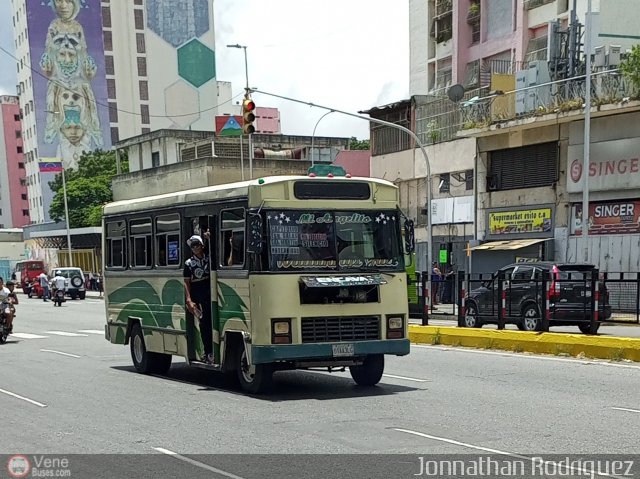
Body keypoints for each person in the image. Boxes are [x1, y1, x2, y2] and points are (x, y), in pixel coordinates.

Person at [183, 232, 214, 364]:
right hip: (197, 292)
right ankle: (207, 352)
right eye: (192, 246)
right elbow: (186, 282)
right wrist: (189, 300)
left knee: (211, 321)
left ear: (202, 245)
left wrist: (210, 239)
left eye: (197, 245)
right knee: (204, 323)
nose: (195, 248)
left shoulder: (209, 259)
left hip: (209, 290)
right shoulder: (189, 264)